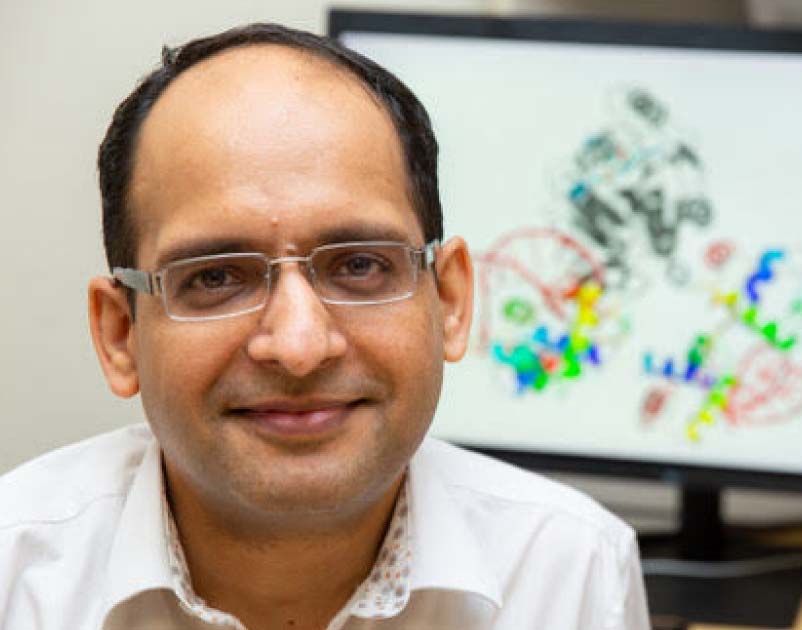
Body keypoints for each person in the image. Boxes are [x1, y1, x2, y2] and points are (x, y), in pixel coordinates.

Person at [0, 23, 650, 630]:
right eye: (216, 277)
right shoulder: (15, 579)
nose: (300, 346)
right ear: (120, 335)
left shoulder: (569, 571)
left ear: (449, 301)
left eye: (361, 264)